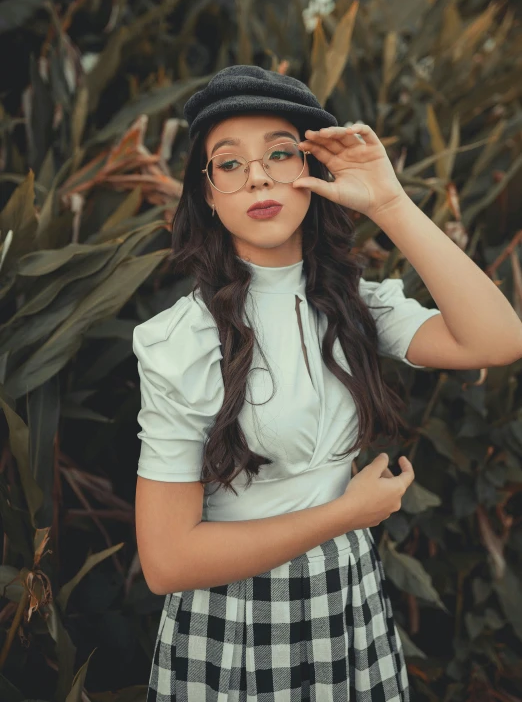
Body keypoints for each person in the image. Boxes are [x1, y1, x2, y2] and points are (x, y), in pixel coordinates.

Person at [133, 65, 442, 701]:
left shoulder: (356, 304)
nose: (258, 177)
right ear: (209, 192)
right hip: (234, 619)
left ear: (312, 174)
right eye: (229, 163)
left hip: (348, 596)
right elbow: (167, 562)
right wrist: (346, 514)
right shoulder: (182, 341)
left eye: (280, 153)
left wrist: (388, 201)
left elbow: (501, 338)